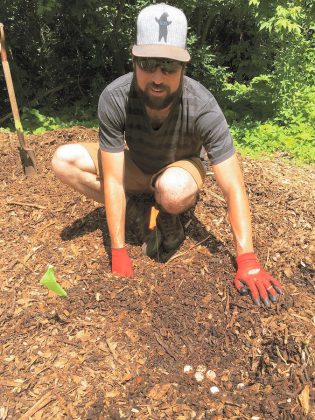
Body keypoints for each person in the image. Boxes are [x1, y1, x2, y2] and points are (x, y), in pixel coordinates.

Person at [52, 3, 283, 306]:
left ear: (183, 68)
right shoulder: (115, 97)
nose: (158, 77)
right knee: (63, 160)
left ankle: (166, 209)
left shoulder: (202, 105)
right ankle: (138, 212)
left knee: (172, 191)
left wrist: (248, 257)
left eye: (169, 67)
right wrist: (119, 251)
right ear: (134, 61)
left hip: (180, 168)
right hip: (138, 164)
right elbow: (111, 177)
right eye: (148, 64)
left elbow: (233, 186)